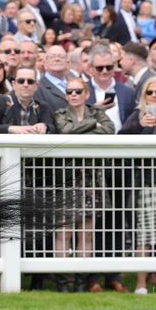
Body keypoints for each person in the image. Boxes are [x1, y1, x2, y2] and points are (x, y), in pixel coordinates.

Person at [52, 77, 114, 291]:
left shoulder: (99, 114)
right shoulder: (60, 114)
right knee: (64, 232)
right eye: (69, 91)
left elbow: (109, 129)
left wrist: (84, 125)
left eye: (78, 91)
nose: (74, 95)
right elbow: (65, 131)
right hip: (68, 180)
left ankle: (80, 280)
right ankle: (63, 280)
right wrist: (91, 125)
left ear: (87, 94)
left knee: (86, 233)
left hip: (92, 180)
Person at [119, 76, 156, 294]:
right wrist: (140, 126)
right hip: (145, 182)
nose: (155, 96)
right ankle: (140, 284)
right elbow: (120, 138)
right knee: (144, 236)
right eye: (150, 92)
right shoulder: (137, 116)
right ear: (144, 95)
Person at [0, 65, 56, 134]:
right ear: (14, 84)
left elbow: (53, 128)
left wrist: (45, 126)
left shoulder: (42, 106)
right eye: (21, 81)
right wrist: (13, 129)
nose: (25, 85)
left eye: (30, 81)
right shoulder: (0, 102)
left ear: (36, 86)